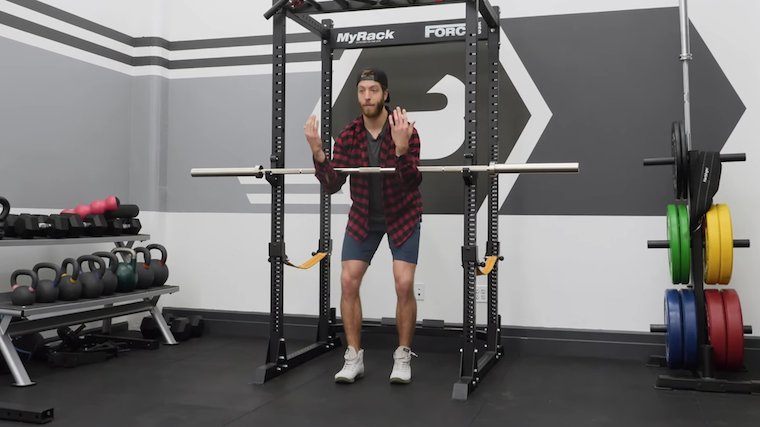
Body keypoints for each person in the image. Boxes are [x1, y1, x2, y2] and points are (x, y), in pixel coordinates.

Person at [303, 68, 423, 384]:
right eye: (362, 91)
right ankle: (353, 356)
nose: (367, 96)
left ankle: (402, 356)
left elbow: (412, 184)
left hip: (403, 215)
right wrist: (317, 151)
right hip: (364, 218)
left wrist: (401, 148)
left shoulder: (406, 130)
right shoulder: (349, 136)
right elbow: (331, 185)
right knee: (347, 282)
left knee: (403, 284)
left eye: (373, 90)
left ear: (385, 94)